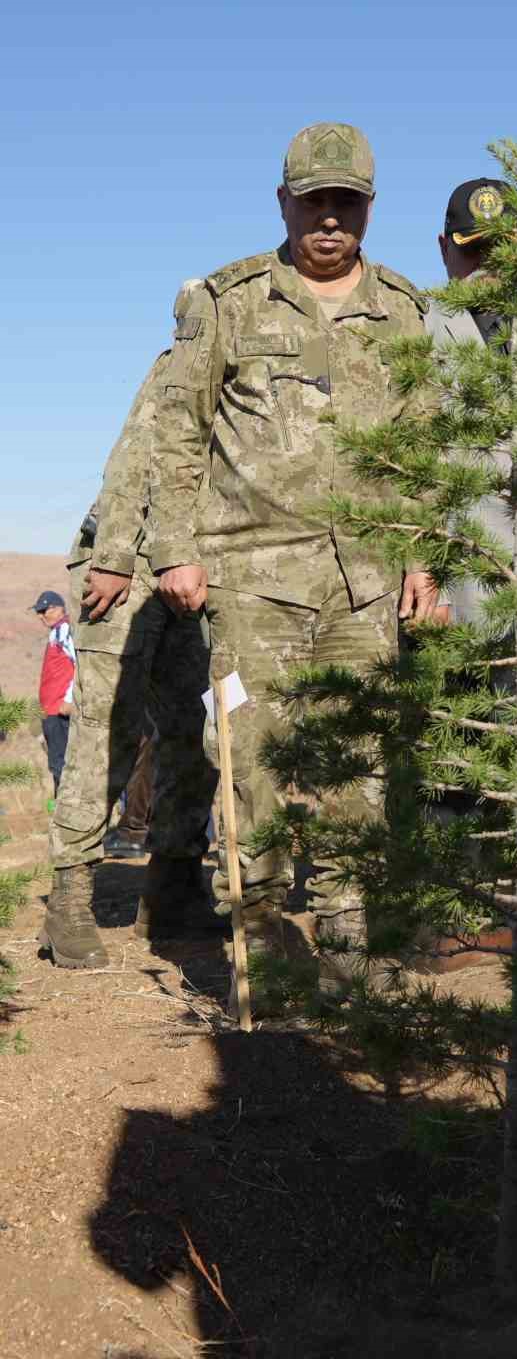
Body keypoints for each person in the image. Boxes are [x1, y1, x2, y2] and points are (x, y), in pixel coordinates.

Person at [148, 123, 442, 1014]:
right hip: (252, 577)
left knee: (364, 762)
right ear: (283, 202)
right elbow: (177, 427)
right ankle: (265, 943)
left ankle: (355, 939)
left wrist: (422, 553)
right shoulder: (228, 300)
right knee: (251, 765)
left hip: (364, 578)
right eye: (313, 201)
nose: (328, 219)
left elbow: (423, 445)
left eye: (345, 202)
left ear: (368, 207)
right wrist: (175, 547)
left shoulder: (403, 309)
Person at [40, 345, 222, 971]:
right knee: (107, 730)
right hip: (134, 564)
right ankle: (70, 893)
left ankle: (173, 887)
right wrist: (114, 556)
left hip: (203, 571)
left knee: (196, 731)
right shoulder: (189, 360)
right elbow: (134, 455)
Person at [32, 592, 74, 796]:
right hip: (50, 711)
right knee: (57, 763)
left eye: (43, 610)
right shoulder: (55, 632)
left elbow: (80, 665)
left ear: (58, 608)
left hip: (59, 710)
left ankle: (66, 816)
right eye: (38, 612)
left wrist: (69, 699)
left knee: (62, 765)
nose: (40, 616)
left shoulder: (64, 630)